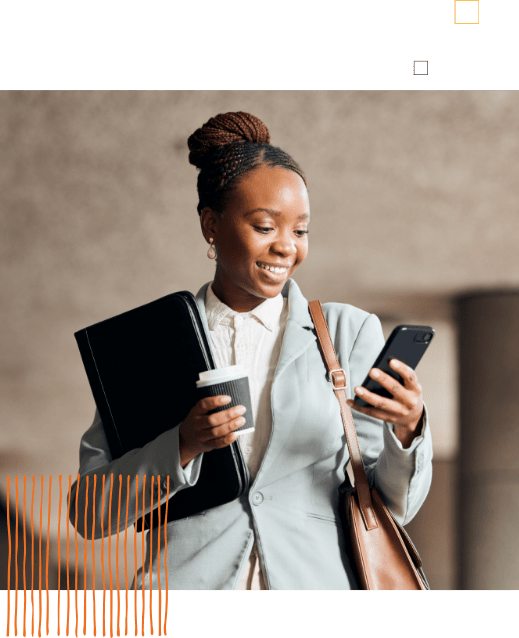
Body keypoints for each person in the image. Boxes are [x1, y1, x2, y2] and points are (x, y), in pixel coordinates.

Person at [70, 111, 433, 591]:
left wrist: (407, 431)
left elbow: (395, 504)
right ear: (210, 226)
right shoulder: (148, 345)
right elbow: (89, 513)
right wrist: (183, 444)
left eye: (300, 231)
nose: (287, 247)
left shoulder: (346, 332)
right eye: (265, 226)